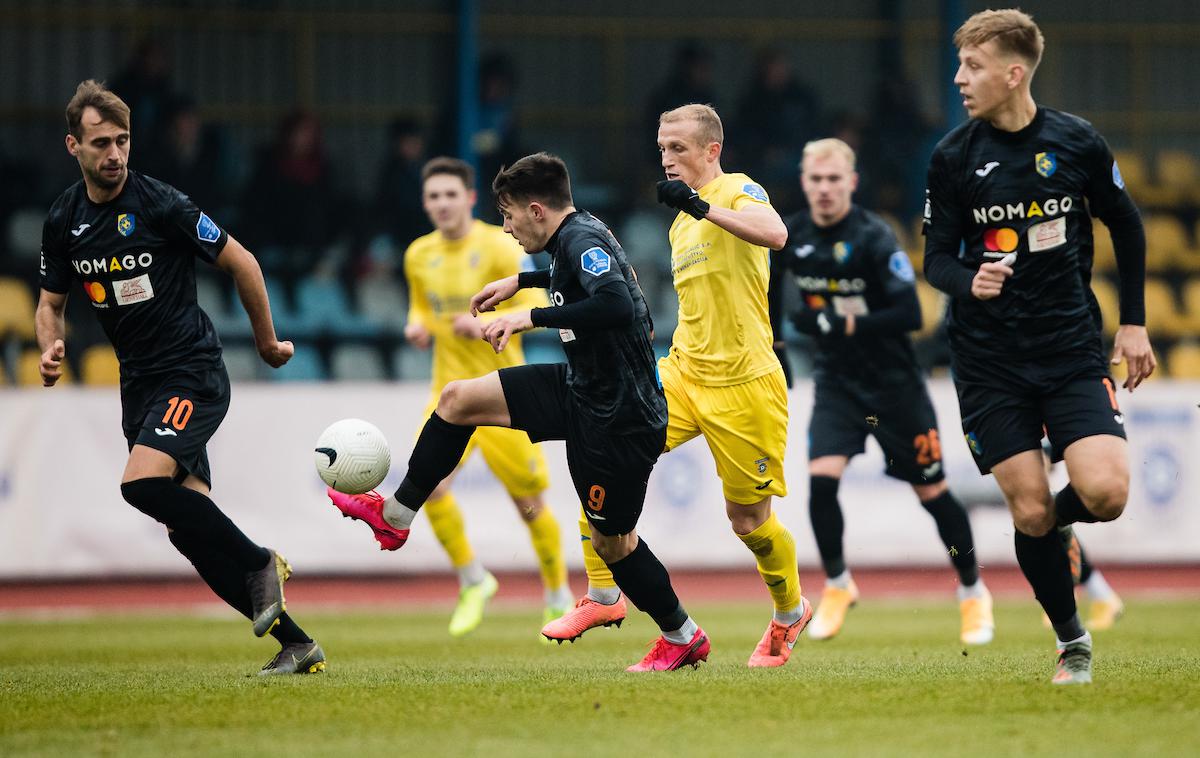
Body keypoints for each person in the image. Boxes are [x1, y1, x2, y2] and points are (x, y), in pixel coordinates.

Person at [329, 153, 708, 671]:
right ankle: (395, 516)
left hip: (619, 418)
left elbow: (615, 303)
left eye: (508, 216)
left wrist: (530, 315)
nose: (505, 228)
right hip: (582, 389)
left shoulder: (582, 239)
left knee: (613, 544)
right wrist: (523, 283)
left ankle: (681, 634)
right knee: (457, 400)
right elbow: (582, 279)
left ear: (535, 210)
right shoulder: (573, 239)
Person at [36, 80, 323, 676]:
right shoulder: (64, 220)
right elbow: (50, 302)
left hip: (191, 372)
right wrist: (50, 345)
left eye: (122, 140)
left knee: (139, 485)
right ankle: (297, 645)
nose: (114, 154)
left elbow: (242, 260)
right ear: (73, 146)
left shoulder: (160, 202)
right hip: (140, 386)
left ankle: (259, 560)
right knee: (188, 531)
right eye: (100, 143)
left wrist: (267, 343)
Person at [922, 10, 1155, 684]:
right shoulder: (954, 157)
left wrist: (1134, 322)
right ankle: (1071, 640)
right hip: (989, 362)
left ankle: (1050, 531)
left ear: (1013, 74)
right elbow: (937, 260)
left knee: (1106, 493)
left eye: (973, 67)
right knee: (1026, 505)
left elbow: (1128, 226)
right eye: (960, 65)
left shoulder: (1076, 142)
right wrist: (972, 281)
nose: (960, 78)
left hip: (1070, 349)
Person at [551, 104, 809, 669]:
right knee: (603, 456)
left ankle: (790, 612)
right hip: (683, 374)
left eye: (679, 149)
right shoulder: (679, 222)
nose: (666, 159)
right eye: (662, 149)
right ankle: (603, 596)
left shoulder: (740, 191)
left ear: (711, 150)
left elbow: (777, 234)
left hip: (746, 383)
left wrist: (701, 204)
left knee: (749, 523)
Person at [333, 156, 574, 638]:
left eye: (450, 195)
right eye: (433, 197)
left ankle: (555, 593)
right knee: (431, 488)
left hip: (505, 393)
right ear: (425, 203)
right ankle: (473, 579)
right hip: (448, 396)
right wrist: (417, 326)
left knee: (529, 505)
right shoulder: (419, 254)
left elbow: (535, 300)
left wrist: (484, 324)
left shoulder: (501, 244)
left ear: (467, 199)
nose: (442, 204)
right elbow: (421, 307)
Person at [770, 138, 993, 645]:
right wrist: (779, 341)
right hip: (838, 386)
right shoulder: (792, 233)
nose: (824, 189)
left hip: (894, 387)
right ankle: (838, 583)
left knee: (933, 493)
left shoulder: (874, 236)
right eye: (816, 180)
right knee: (820, 482)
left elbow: (910, 315)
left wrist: (834, 320)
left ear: (851, 182)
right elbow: (771, 284)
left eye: (834, 180)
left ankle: (973, 590)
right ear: (805, 183)